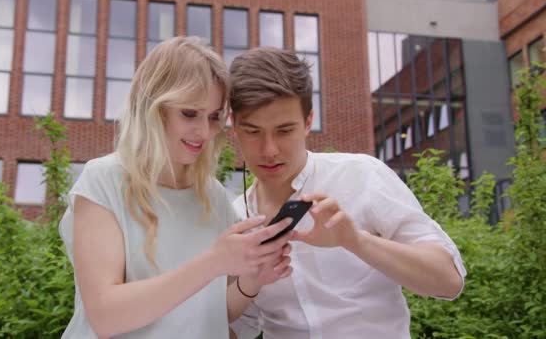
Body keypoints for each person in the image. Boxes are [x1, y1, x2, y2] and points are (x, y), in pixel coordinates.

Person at [58, 37, 293, 338]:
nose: (204, 132)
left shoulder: (214, 197)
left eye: (213, 117)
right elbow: (106, 315)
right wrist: (213, 263)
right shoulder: (104, 180)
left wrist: (253, 281)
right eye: (189, 113)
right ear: (154, 106)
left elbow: (211, 314)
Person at [227, 47, 467, 338]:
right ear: (234, 127)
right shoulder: (235, 218)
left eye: (284, 130)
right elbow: (238, 327)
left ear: (308, 122)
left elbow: (448, 280)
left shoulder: (361, 175)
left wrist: (354, 240)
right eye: (253, 132)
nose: (269, 150)